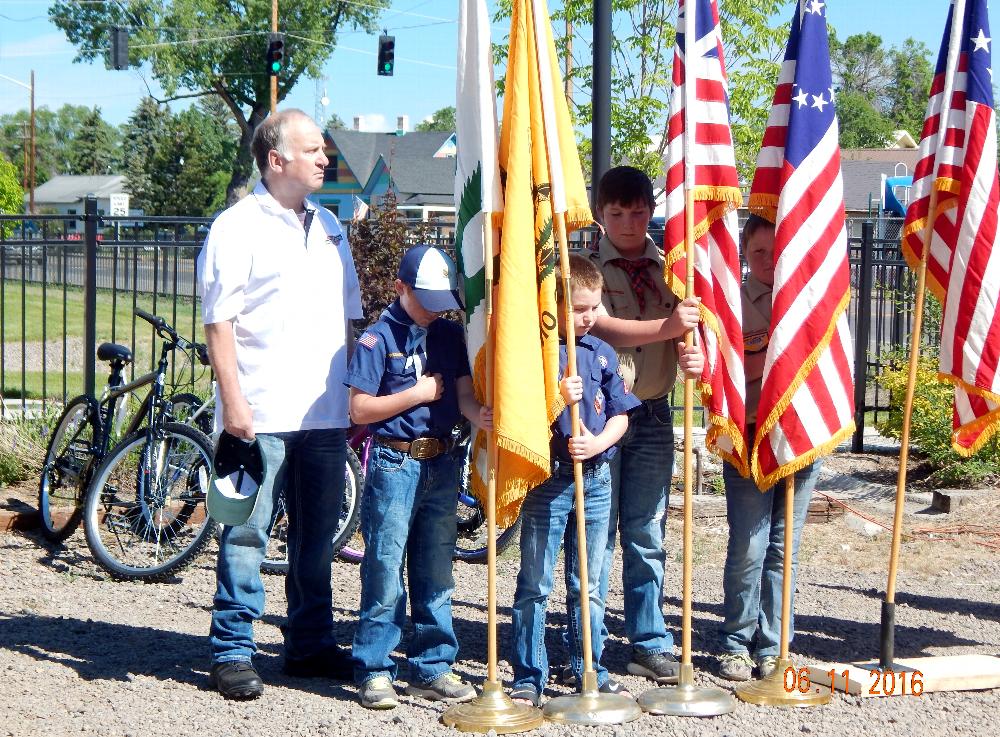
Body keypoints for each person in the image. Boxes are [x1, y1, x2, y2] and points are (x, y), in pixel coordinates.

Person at [198, 109, 363, 700]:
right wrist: (235, 405)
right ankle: (232, 650)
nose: (326, 159)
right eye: (314, 149)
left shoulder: (329, 227)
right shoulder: (237, 227)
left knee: (318, 538)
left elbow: (349, 317)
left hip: (322, 415)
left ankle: (309, 642)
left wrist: (351, 394)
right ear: (276, 159)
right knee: (247, 534)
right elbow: (218, 324)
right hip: (260, 412)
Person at [347, 245, 490, 710]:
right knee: (385, 568)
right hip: (394, 462)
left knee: (436, 568)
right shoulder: (378, 338)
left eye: (440, 300)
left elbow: (464, 394)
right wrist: (418, 393)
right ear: (400, 288)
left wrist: (480, 415)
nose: (434, 309)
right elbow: (360, 409)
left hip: (442, 461)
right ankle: (375, 668)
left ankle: (432, 667)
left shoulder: (449, 336)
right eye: (424, 298)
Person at [581, 166, 704, 685]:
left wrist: (695, 354)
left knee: (646, 530)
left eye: (638, 212)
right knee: (595, 535)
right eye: (616, 214)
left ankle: (649, 641)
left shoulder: (675, 266)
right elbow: (603, 323)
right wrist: (668, 327)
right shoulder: (588, 268)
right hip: (601, 415)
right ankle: (586, 643)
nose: (629, 223)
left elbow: (698, 323)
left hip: (651, 412)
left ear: (651, 213)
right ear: (600, 216)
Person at [508, 255, 640, 708]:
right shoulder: (540, 355)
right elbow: (517, 415)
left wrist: (599, 443)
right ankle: (529, 673)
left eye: (595, 307)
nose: (589, 317)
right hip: (549, 480)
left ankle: (590, 665)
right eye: (579, 308)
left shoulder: (602, 353)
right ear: (556, 306)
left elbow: (621, 414)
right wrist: (554, 396)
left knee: (590, 581)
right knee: (536, 582)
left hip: (596, 478)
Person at [716, 215, 822, 681]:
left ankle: (774, 644)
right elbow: (731, 374)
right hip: (750, 437)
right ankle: (736, 642)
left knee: (785, 547)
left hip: (799, 439)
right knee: (750, 544)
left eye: (777, 252)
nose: (768, 262)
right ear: (744, 252)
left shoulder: (811, 299)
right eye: (759, 252)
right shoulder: (733, 304)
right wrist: (774, 364)